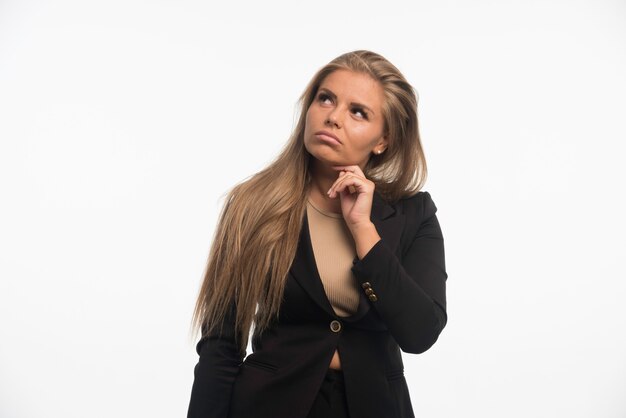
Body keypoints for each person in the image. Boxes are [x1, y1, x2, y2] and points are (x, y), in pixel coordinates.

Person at [186, 50, 447, 418]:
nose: (333, 117)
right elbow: (220, 345)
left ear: (383, 140)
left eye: (358, 112)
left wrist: (363, 229)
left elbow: (420, 333)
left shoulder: (413, 213)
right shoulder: (252, 205)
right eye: (326, 98)